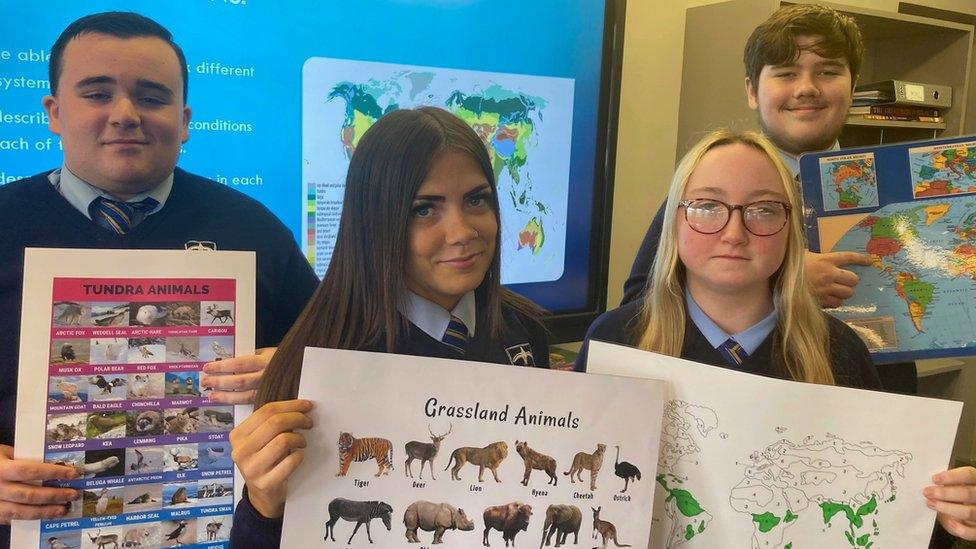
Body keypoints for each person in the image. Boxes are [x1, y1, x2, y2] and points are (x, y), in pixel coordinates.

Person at [0, 12, 318, 544]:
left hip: (222, 527)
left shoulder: (252, 228)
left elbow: (337, 355)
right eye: (97, 94)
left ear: (185, 118)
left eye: (151, 97)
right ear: (54, 112)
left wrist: (294, 370)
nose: (125, 114)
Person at [578, 129, 975, 544]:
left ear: (791, 229)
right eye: (708, 205)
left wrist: (946, 511)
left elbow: (882, 512)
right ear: (675, 221)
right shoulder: (618, 341)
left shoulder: (840, 351)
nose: (734, 232)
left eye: (764, 210)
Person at [228, 107, 550, 546]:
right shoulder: (319, 361)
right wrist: (263, 504)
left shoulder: (524, 330)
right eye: (423, 209)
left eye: (476, 200)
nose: (462, 231)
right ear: (375, 223)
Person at [622, 4, 872, 310]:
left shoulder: (888, 185)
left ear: (854, 86)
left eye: (828, 72)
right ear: (752, 92)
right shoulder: (704, 189)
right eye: (786, 73)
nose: (807, 88)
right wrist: (780, 284)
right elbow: (637, 304)